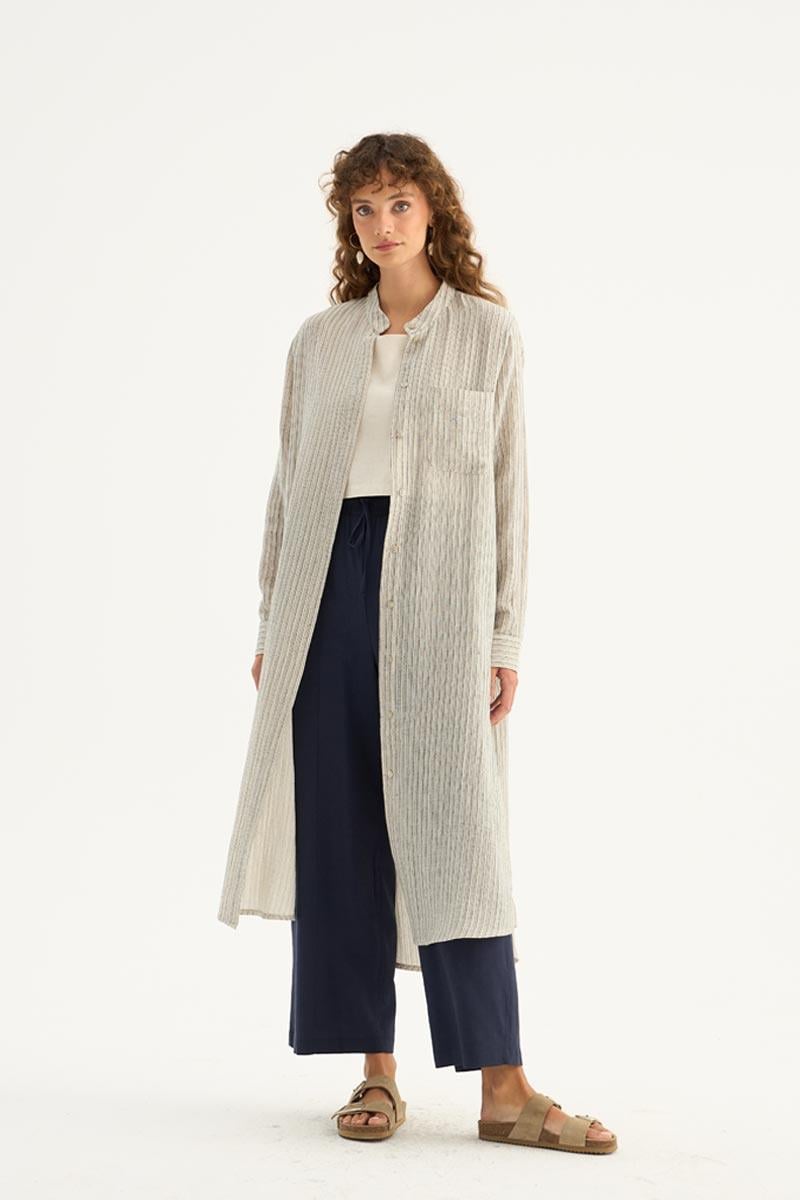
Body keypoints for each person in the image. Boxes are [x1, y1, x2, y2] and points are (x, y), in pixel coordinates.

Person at [218, 133, 617, 1154]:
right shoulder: (318, 342)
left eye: (399, 203)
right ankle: (375, 1072)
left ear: (433, 210)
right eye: (363, 209)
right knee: (341, 827)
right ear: (347, 225)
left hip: (441, 594)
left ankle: (502, 1086)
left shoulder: (487, 332)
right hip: (325, 589)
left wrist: (504, 633)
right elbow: (285, 490)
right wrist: (272, 622)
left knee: (457, 833)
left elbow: (509, 492)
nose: (382, 225)